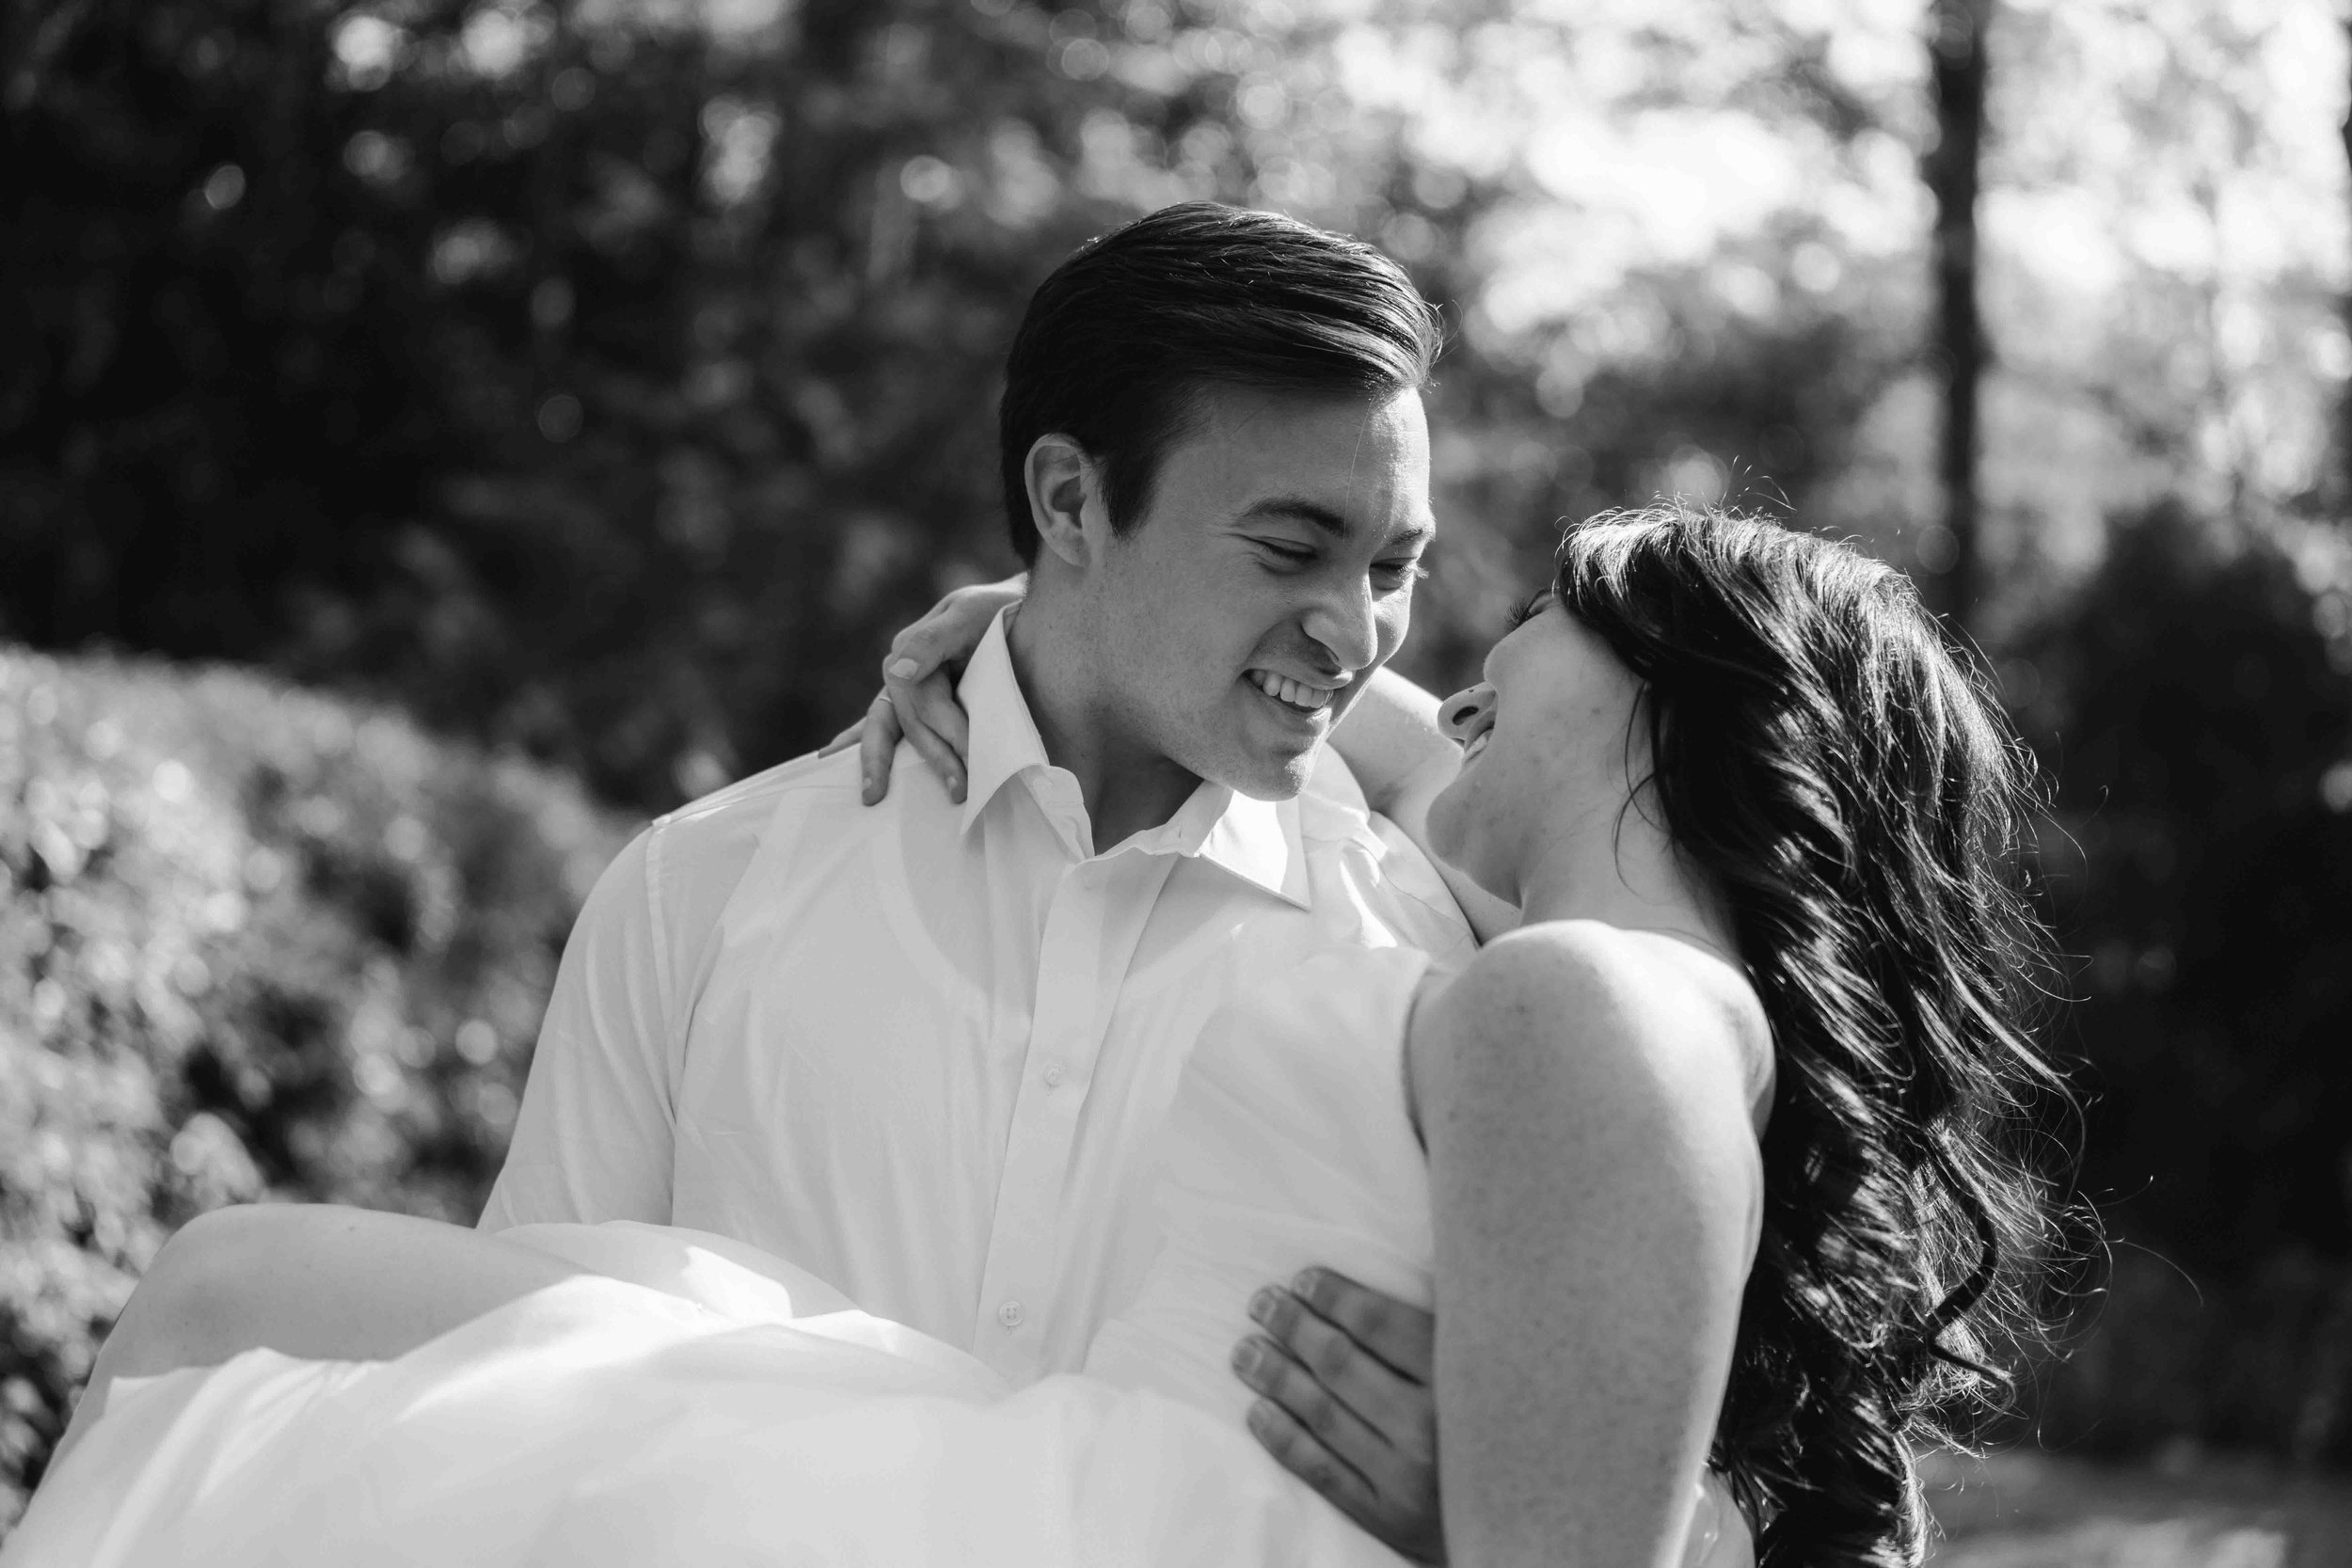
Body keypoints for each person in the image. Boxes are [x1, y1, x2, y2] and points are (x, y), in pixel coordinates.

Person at [7, 506, 2068, 1568]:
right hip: (1058, 1488)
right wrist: (1052, 612)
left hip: (1107, 1530)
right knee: (235, 1293)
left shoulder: (1575, 993)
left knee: (233, 1305)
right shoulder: (1539, 954)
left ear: (1650, 709)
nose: (1460, 658)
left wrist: (1491, 1522)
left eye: (1533, 617)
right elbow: (1360, 699)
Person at [471, 201, 1500, 1556]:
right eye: (1290, 548)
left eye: (1392, 565)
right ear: (1069, 499)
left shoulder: (1428, 971)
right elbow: (503, 1399)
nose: (1354, 628)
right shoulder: (700, 893)